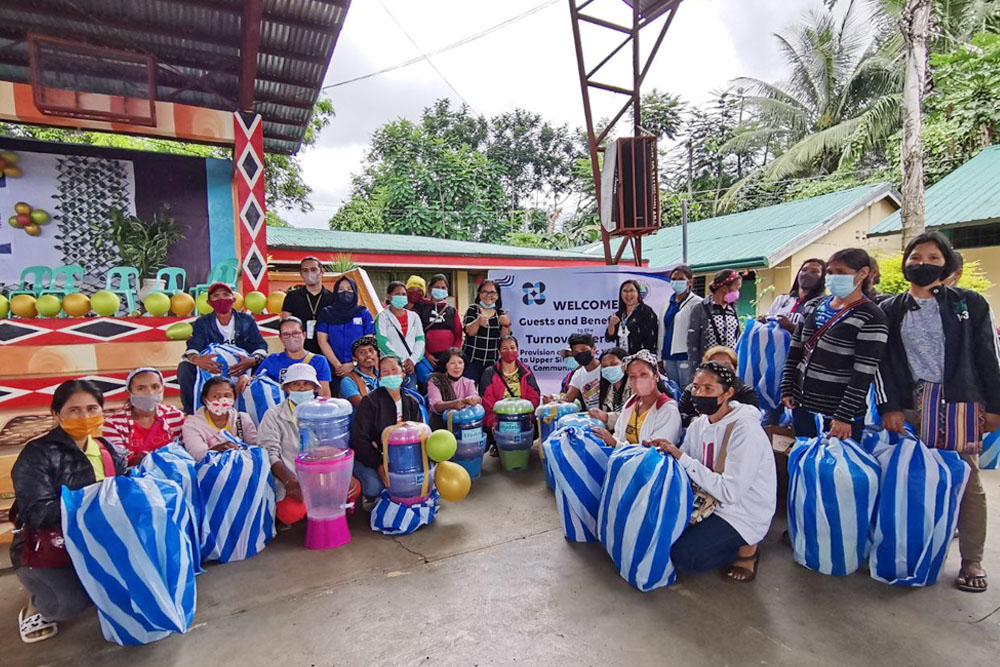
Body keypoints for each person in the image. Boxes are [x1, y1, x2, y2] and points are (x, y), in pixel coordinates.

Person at [875, 231, 1000, 593]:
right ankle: (917, 548)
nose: (923, 264)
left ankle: (971, 558)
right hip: (913, 405)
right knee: (913, 475)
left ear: (946, 263)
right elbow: (882, 365)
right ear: (905, 262)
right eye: (916, 257)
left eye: (933, 258)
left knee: (966, 479)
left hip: (961, 401)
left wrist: (994, 407)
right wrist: (889, 407)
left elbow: (988, 358)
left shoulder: (969, 304)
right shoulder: (890, 308)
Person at [11, 380, 126, 643]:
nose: (85, 417)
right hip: (53, 544)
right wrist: (90, 501)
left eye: (91, 408)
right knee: (68, 606)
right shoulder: (37, 453)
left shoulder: (109, 451)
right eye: (74, 410)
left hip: (98, 538)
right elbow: (35, 513)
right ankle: (36, 604)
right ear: (56, 414)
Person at [656, 361, 776, 583]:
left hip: (740, 512)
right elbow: (683, 463)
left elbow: (730, 493)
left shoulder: (745, 430)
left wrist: (682, 459)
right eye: (695, 387)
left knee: (686, 557)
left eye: (708, 388)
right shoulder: (699, 424)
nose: (699, 393)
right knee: (658, 533)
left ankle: (748, 549)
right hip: (706, 501)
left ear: (728, 393)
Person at [781, 248, 888, 443]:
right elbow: (795, 351)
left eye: (841, 272)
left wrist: (843, 416)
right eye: (830, 272)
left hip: (839, 416)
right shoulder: (815, 306)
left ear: (862, 274)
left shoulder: (871, 316)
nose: (833, 277)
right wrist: (788, 387)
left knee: (836, 470)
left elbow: (863, 373)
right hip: (802, 406)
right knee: (804, 464)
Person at [177, 282, 267, 414]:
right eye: (216, 296)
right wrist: (197, 360)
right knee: (185, 368)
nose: (221, 299)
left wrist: (252, 360)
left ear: (233, 300)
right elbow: (193, 347)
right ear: (209, 302)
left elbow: (260, 345)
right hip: (214, 367)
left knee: (266, 365)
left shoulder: (246, 320)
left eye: (226, 295)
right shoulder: (202, 322)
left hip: (242, 366)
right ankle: (192, 413)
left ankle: (260, 412)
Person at [349, 355, 423, 508]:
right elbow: (359, 439)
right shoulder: (370, 402)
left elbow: (419, 433)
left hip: (402, 458)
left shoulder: (411, 402)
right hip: (371, 457)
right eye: (384, 372)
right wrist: (378, 464)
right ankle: (368, 496)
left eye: (394, 370)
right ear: (379, 377)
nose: (390, 375)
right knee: (374, 486)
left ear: (403, 373)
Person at [258, 363, 322, 523]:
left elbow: (336, 446)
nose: (301, 388)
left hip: (322, 474)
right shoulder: (273, 415)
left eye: (306, 383)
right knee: (289, 514)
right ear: (287, 389)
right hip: (291, 476)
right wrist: (290, 483)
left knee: (351, 490)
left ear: (315, 387)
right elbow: (269, 453)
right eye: (295, 384)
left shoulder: (326, 411)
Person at [592, 350, 682, 448]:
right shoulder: (632, 401)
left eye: (643, 374)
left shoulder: (668, 410)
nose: (638, 380)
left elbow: (657, 452)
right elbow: (618, 434)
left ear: (656, 376)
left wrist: (615, 444)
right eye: (632, 376)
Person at [102, 367, 185, 466]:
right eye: (141, 388)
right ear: (129, 391)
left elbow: (184, 451)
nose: (150, 393)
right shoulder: (114, 424)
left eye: (155, 387)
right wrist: (137, 460)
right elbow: (117, 461)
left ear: (163, 388)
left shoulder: (175, 416)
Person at [316, 275, 375, 388]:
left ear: (355, 291)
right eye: (341, 289)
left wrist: (353, 364)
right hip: (332, 368)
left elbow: (368, 341)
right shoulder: (327, 313)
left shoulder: (363, 313)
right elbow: (322, 341)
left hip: (359, 368)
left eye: (349, 289)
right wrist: (338, 366)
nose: (345, 292)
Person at [182, 376, 258, 462]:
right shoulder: (192, 425)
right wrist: (216, 450)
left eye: (227, 395)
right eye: (215, 396)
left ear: (234, 398)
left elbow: (255, 447)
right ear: (205, 399)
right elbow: (197, 455)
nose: (222, 400)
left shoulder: (242, 419)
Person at [678, 346, 759, 427]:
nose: (721, 369)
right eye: (715, 365)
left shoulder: (746, 393)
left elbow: (753, 418)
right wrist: (696, 422)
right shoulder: (692, 390)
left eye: (726, 365)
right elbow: (682, 415)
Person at [253, 317, 332, 397]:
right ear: (280, 338)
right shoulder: (272, 360)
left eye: (295, 333)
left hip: (310, 407)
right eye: (286, 334)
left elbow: (324, 394)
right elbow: (255, 382)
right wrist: (245, 377)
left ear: (304, 335)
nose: (291, 337)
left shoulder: (319, 361)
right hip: (280, 408)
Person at [481, 335, 542, 431]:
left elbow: (534, 396)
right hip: (498, 421)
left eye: (512, 348)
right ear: (499, 352)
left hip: (523, 418)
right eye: (505, 348)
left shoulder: (526, 372)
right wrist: (497, 422)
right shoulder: (489, 373)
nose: (509, 351)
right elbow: (487, 402)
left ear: (517, 350)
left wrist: (522, 413)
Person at [374, 281, 426, 388]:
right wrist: (401, 360)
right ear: (389, 296)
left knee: (410, 395)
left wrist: (412, 360)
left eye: (403, 294)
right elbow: (382, 341)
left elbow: (420, 340)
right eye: (397, 294)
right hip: (391, 366)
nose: (401, 297)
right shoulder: (383, 317)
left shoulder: (414, 316)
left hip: (410, 367)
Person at [280, 256, 335, 355]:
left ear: (322, 271)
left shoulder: (333, 298)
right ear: (301, 274)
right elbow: (286, 324)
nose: (309, 273)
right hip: (299, 350)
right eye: (305, 270)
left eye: (314, 269)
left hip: (328, 350)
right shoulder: (292, 297)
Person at [687, 269, 743, 366]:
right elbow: (692, 342)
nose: (737, 293)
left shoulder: (732, 309)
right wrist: (695, 367)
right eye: (736, 288)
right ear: (725, 288)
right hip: (709, 363)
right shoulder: (700, 309)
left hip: (729, 363)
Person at [658, 265, 701, 387]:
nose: (677, 282)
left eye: (681, 279)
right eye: (673, 279)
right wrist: (659, 357)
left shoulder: (697, 303)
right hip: (668, 355)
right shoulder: (666, 303)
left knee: (687, 389)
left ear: (690, 281)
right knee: (672, 389)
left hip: (686, 356)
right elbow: (662, 330)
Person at [461, 279, 511, 383]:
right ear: (479, 294)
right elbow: (469, 331)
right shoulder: (473, 309)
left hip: (491, 363)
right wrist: (478, 322)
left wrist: (506, 325)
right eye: (484, 292)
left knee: (488, 394)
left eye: (492, 292)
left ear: (497, 296)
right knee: (470, 394)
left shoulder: (501, 313)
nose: (488, 295)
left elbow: (504, 339)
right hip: (471, 361)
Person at [416, 273, 463, 371]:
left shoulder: (452, 310)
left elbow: (458, 335)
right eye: (437, 287)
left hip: (449, 360)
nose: (440, 290)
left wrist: (452, 356)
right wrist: (427, 355)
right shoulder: (422, 308)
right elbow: (418, 335)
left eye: (443, 287)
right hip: (428, 358)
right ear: (430, 289)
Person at [426, 348, 482, 430]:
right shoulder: (435, 381)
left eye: (460, 362)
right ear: (445, 365)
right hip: (441, 427)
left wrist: (473, 399)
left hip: (464, 426)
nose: (457, 366)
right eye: (452, 363)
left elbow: (476, 397)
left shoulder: (468, 382)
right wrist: (453, 404)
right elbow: (436, 406)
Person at [766, 258, 826, 331]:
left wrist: (792, 327)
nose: (807, 274)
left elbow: (819, 335)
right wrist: (764, 320)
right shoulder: (781, 299)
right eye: (804, 270)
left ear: (823, 277)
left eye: (814, 272)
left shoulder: (822, 305)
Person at [549, 332, 602, 411]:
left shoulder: (605, 369)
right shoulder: (578, 375)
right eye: (576, 352)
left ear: (594, 349)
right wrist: (553, 402)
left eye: (584, 350)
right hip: (593, 419)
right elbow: (568, 399)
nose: (580, 354)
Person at [607, 279, 659, 355]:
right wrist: (611, 325)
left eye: (631, 291)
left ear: (638, 293)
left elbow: (652, 338)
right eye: (625, 291)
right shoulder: (619, 314)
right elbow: (610, 337)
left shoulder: (646, 312)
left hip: (641, 359)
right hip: (622, 358)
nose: (628, 294)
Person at [588, 347, 631, 430]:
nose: (608, 368)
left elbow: (635, 418)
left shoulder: (635, 386)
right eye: (604, 366)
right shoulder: (607, 390)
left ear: (624, 364)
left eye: (613, 364)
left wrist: (607, 417)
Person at [340, 335, 380, 409]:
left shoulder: (383, 375)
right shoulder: (348, 380)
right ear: (355, 359)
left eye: (371, 351)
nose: (368, 355)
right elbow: (363, 406)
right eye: (362, 352)